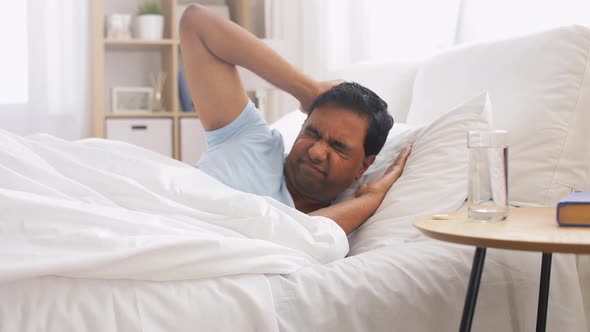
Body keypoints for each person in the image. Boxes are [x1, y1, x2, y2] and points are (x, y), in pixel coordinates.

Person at [179, 5, 412, 235]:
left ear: (364, 165)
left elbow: (298, 234)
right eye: (312, 133)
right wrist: (307, 89)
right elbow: (196, 22)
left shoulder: (341, 224)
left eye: (338, 146)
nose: (317, 152)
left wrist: (372, 199)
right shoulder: (248, 139)